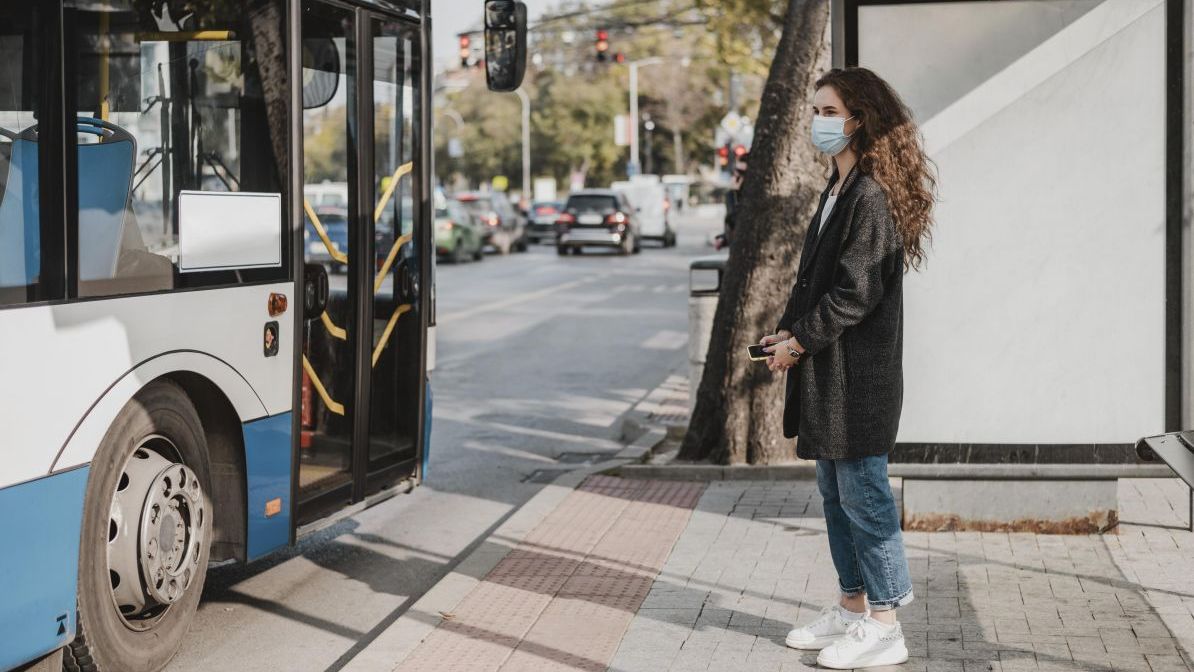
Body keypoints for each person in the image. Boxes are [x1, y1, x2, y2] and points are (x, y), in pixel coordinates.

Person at [759, 67, 936, 669]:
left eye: (828, 111)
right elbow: (815, 282)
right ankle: (852, 608)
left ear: (859, 118)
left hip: (858, 380)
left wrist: (799, 344)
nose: (817, 122)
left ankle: (886, 624)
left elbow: (854, 294)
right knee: (836, 495)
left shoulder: (871, 196)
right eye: (815, 111)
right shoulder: (836, 189)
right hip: (829, 377)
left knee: (865, 496)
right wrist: (786, 330)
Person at [715, 152, 749, 249]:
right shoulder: (732, 195)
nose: (736, 176)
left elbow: (736, 219)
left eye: (741, 173)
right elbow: (733, 224)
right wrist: (724, 238)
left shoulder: (743, 196)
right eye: (735, 171)